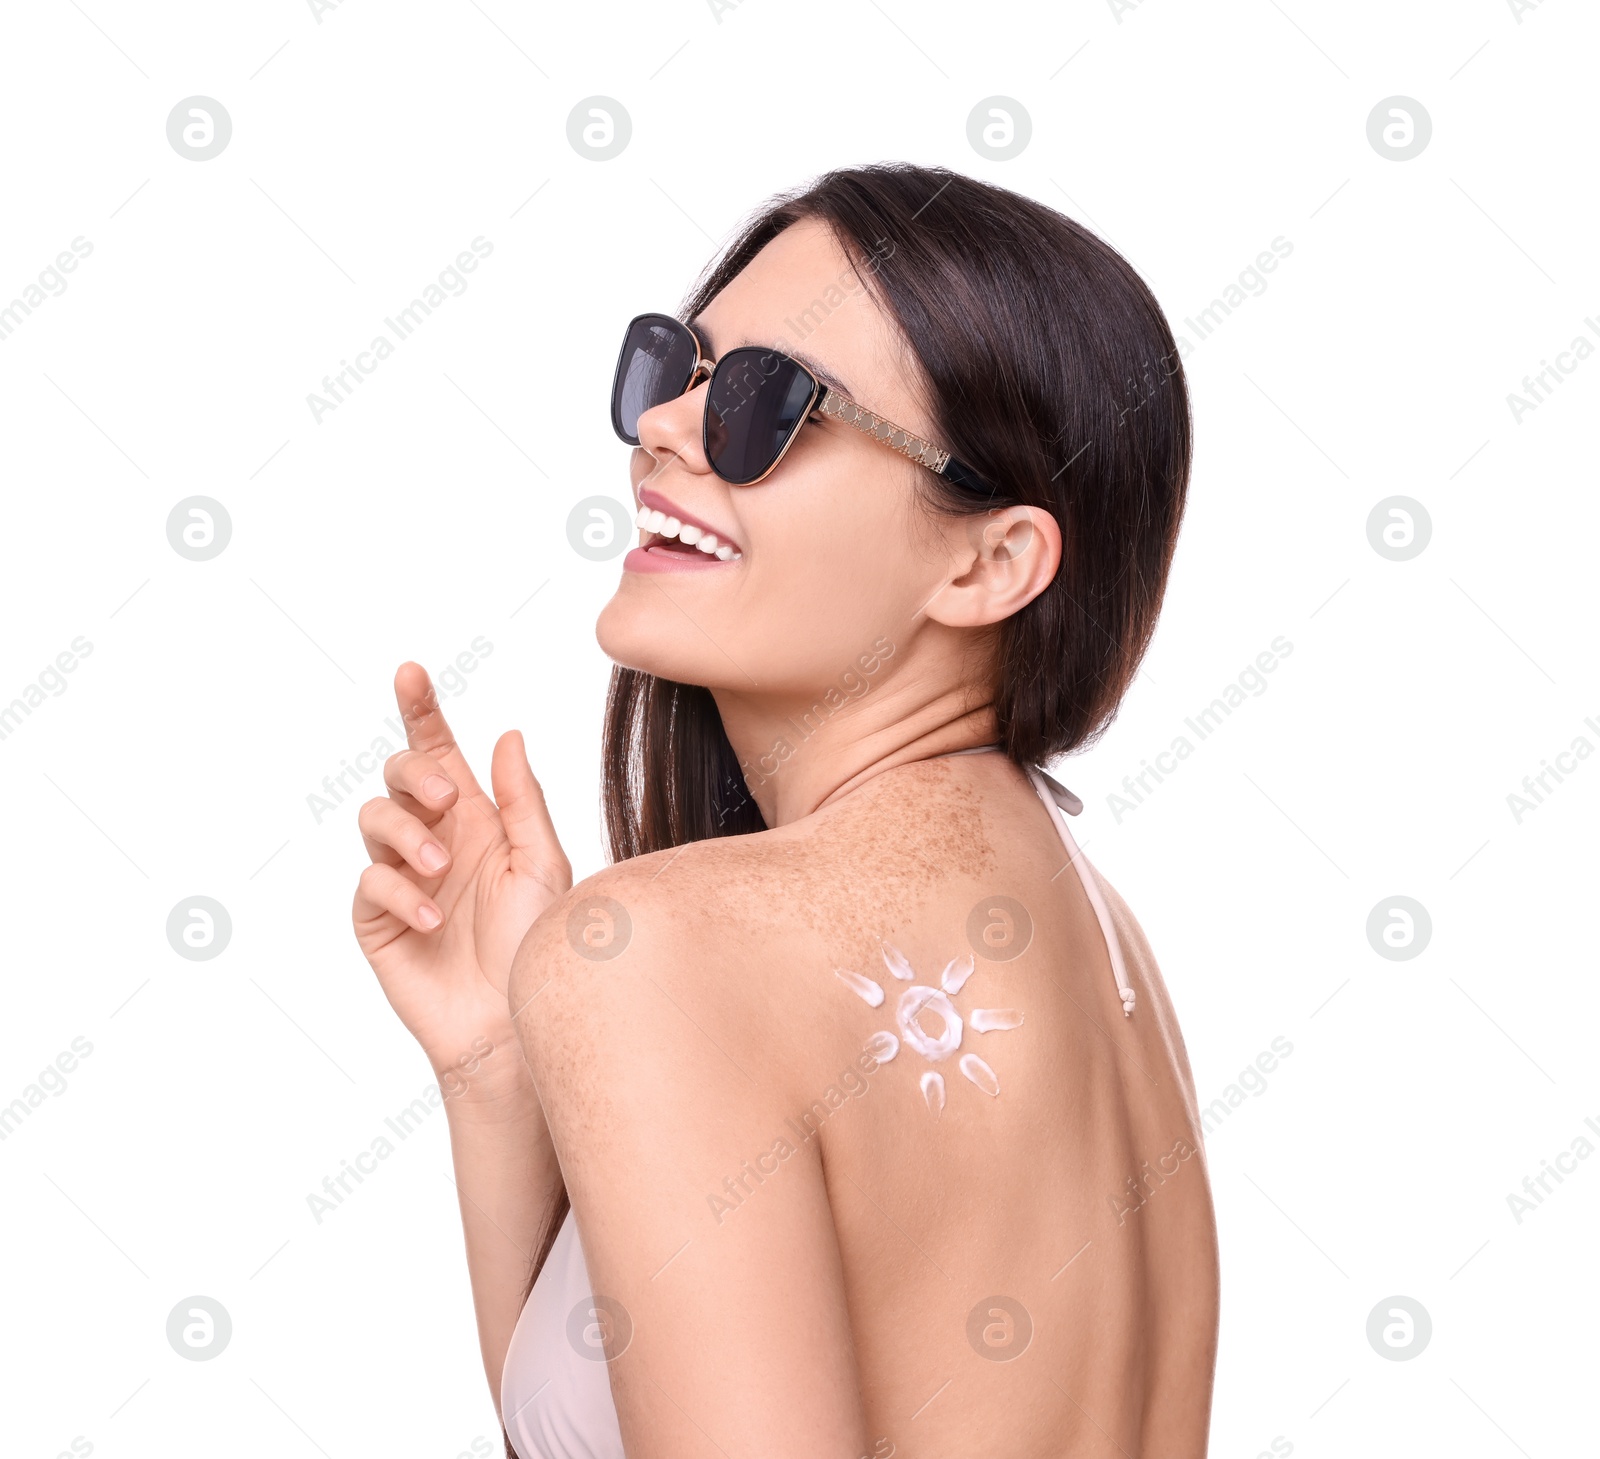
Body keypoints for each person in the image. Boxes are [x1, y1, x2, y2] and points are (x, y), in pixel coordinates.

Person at [351, 162, 1217, 1459]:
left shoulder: (670, 951)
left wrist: (608, 981)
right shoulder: (1102, 944)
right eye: (679, 369)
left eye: (767, 403)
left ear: (991, 563)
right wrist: (496, 1071)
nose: (667, 428)